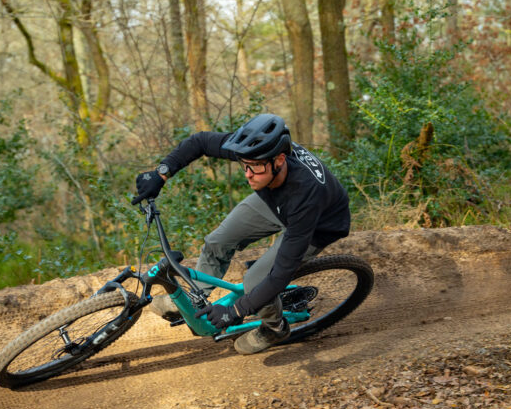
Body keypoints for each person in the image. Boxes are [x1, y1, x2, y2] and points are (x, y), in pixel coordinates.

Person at [133, 113, 351, 355]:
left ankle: (275, 327)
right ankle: (196, 298)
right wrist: (161, 173)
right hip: (275, 199)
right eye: (244, 165)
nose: (247, 173)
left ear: (279, 160)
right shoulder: (259, 154)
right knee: (218, 241)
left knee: (256, 281)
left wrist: (235, 311)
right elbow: (201, 142)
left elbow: (280, 274)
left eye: (255, 167)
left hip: (317, 223)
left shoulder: (305, 195)